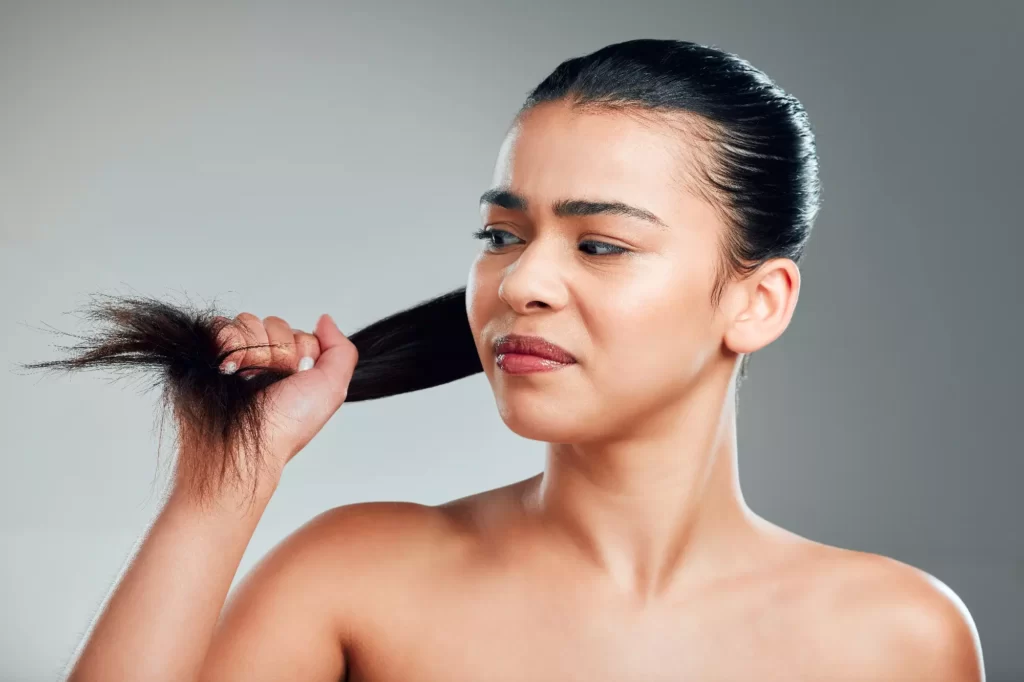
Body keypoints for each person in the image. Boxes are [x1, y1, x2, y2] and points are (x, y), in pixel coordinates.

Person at [57, 39, 984, 681]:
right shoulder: (356, 578)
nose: (521, 282)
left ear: (757, 300)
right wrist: (224, 480)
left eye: (602, 244)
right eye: (502, 233)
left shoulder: (894, 636)